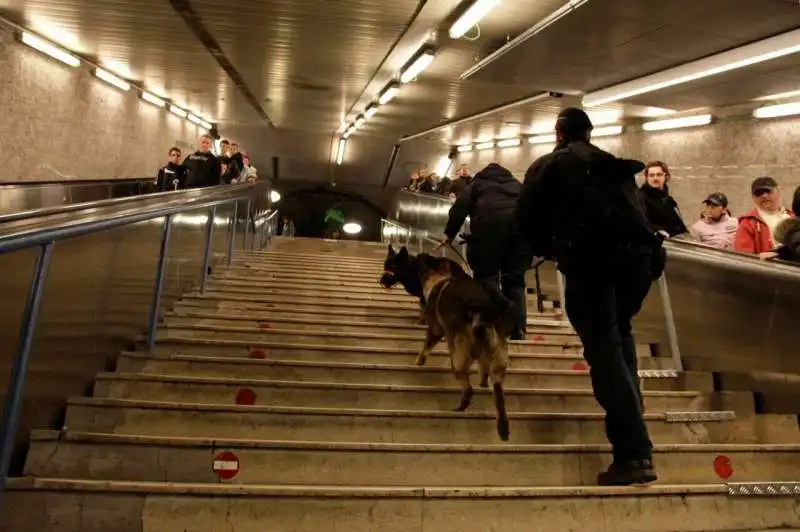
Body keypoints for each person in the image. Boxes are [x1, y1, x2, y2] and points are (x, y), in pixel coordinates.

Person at [516, 107, 661, 486]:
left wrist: (547, 248)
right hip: (638, 266)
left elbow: (526, 216)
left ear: (558, 132)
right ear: (590, 132)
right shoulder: (614, 167)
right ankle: (635, 420)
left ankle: (633, 454)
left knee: (604, 350)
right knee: (619, 338)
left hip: (593, 263)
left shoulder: (552, 165)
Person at [443, 162, 533, 340]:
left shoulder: (477, 184)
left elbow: (459, 208)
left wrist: (449, 234)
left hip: (488, 232)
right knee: (515, 281)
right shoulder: (517, 185)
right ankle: (518, 328)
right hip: (519, 234)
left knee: (486, 277)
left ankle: (501, 311)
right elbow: (533, 209)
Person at [734, 177, 794, 257]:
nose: (764, 196)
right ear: (753, 198)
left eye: (768, 191)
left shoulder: (792, 216)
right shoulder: (748, 223)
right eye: (759, 193)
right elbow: (743, 258)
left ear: (778, 191)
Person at [640, 161, 687, 237]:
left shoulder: (669, 201)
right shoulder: (640, 198)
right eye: (651, 175)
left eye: (659, 174)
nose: (655, 178)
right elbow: (639, 223)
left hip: (675, 244)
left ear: (666, 176)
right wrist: (657, 230)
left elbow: (680, 226)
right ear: (647, 178)